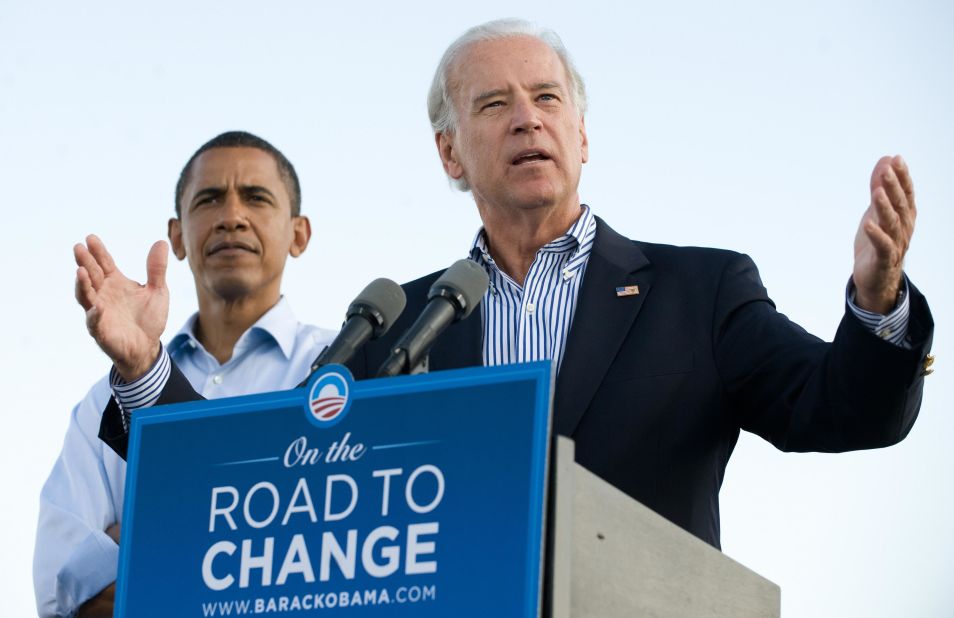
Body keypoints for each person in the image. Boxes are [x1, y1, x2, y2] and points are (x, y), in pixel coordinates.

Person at [96, 19, 934, 550]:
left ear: (580, 132)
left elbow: (846, 408)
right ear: (452, 154)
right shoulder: (399, 321)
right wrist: (142, 370)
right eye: (494, 104)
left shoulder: (700, 290)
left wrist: (879, 303)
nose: (528, 118)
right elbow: (267, 484)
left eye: (546, 98)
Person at [33, 131, 336, 617]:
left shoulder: (342, 369)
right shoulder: (102, 405)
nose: (232, 216)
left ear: (298, 234)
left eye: (256, 198)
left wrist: (138, 540)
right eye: (209, 199)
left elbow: (341, 559)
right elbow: (65, 594)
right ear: (177, 236)